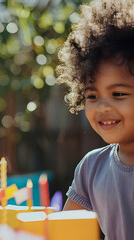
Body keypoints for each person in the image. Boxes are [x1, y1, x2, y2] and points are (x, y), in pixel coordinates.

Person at [56, 0, 134, 239]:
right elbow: (66, 233)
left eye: (118, 94)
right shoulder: (92, 168)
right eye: (92, 95)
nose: (102, 107)